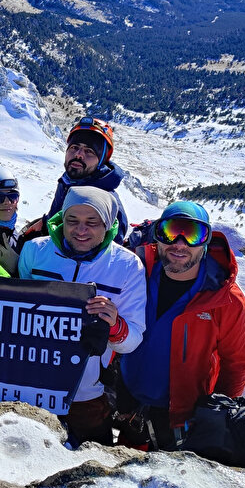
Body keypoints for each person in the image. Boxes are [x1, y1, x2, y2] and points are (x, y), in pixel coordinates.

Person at [117, 201, 245, 450]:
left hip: (182, 418)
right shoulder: (137, 272)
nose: (180, 244)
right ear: (156, 237)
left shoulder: (226, 299)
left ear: (206, 242)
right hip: (128, 401)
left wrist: (215, 414)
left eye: (193, 234)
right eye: (170, 232)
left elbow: (238, 363)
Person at [18, 187, 146, 447]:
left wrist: (114, 325)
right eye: (72, 220)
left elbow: (132, 338)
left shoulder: (127, 266)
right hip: (31, 385)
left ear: (108, 225)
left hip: (87, 393)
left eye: (92, 222)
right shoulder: (34, 252)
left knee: (89, 463)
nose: (80, 230)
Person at [21, 117, 128, 245]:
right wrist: (45, 223)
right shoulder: (68, 181)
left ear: (101, 160)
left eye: (89, 151)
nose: (78, 155)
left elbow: (105, 259)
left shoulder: (109, 205)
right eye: (74, 147)